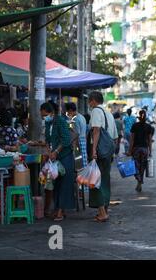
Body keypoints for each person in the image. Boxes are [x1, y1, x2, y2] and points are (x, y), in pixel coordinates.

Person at [40, 102, 75, 222]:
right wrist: (49, 151)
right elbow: (48, 140)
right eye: (43, 116)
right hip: (55, 157)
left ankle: (60, 211)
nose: (44, 117)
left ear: (51, 112)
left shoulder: (60, 121)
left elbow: (66, 139)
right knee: (56, 184)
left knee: (64, 184)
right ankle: (59, 209)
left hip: (65, 156)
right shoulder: (49, 122)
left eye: (45, 115)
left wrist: (56, 151)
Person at [88, 91, 118, 222]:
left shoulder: (96, 111)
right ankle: (104, 210)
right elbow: (115, 137)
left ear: (93, 101)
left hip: (99, 152)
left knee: (95, 180)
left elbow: (96, 131)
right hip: (108, 152)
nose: (89, 104)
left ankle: (102, 213)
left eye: (89, 101)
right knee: (105, 181)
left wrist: (94, 151)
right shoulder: (109, 113)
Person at [127, 109, 153, 192]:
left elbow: (132, 139)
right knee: (143, 167)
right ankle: (140, 181)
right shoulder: (149, 127)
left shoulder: (135, 126)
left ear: (139, 116)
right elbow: (150, 140)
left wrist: (129, 150)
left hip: (136, 149)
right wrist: (150, 151)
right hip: (145, 149)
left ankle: (138, 180)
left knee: (136, 166)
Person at [65, 103, 88, 168]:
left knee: (79, 163)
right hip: (83, 140)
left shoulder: (75, 119)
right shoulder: (81, 116)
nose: (67, 113)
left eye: (67, 111)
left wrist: (71, 141)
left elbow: (76, 133)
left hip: (78, 141)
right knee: (83, 160)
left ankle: (81, 176)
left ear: (70, 110)